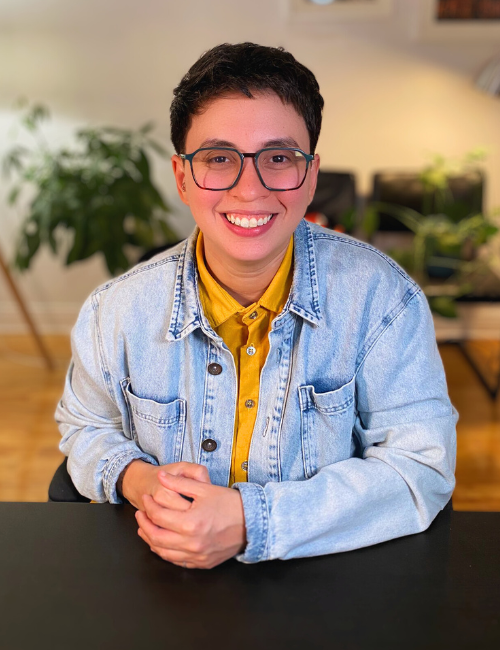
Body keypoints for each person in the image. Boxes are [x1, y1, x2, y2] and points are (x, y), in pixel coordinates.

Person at [56, 42, 457, 569]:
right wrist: (139, 479)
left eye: (279, 158)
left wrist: (252, 520)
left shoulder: (383, 300)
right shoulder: (115, 310)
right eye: (219, 159)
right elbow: (86, 429)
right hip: (162, 581)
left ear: (311, 176)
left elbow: (420, 466)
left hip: (329, 584)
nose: (250, 190)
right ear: (182, 177)